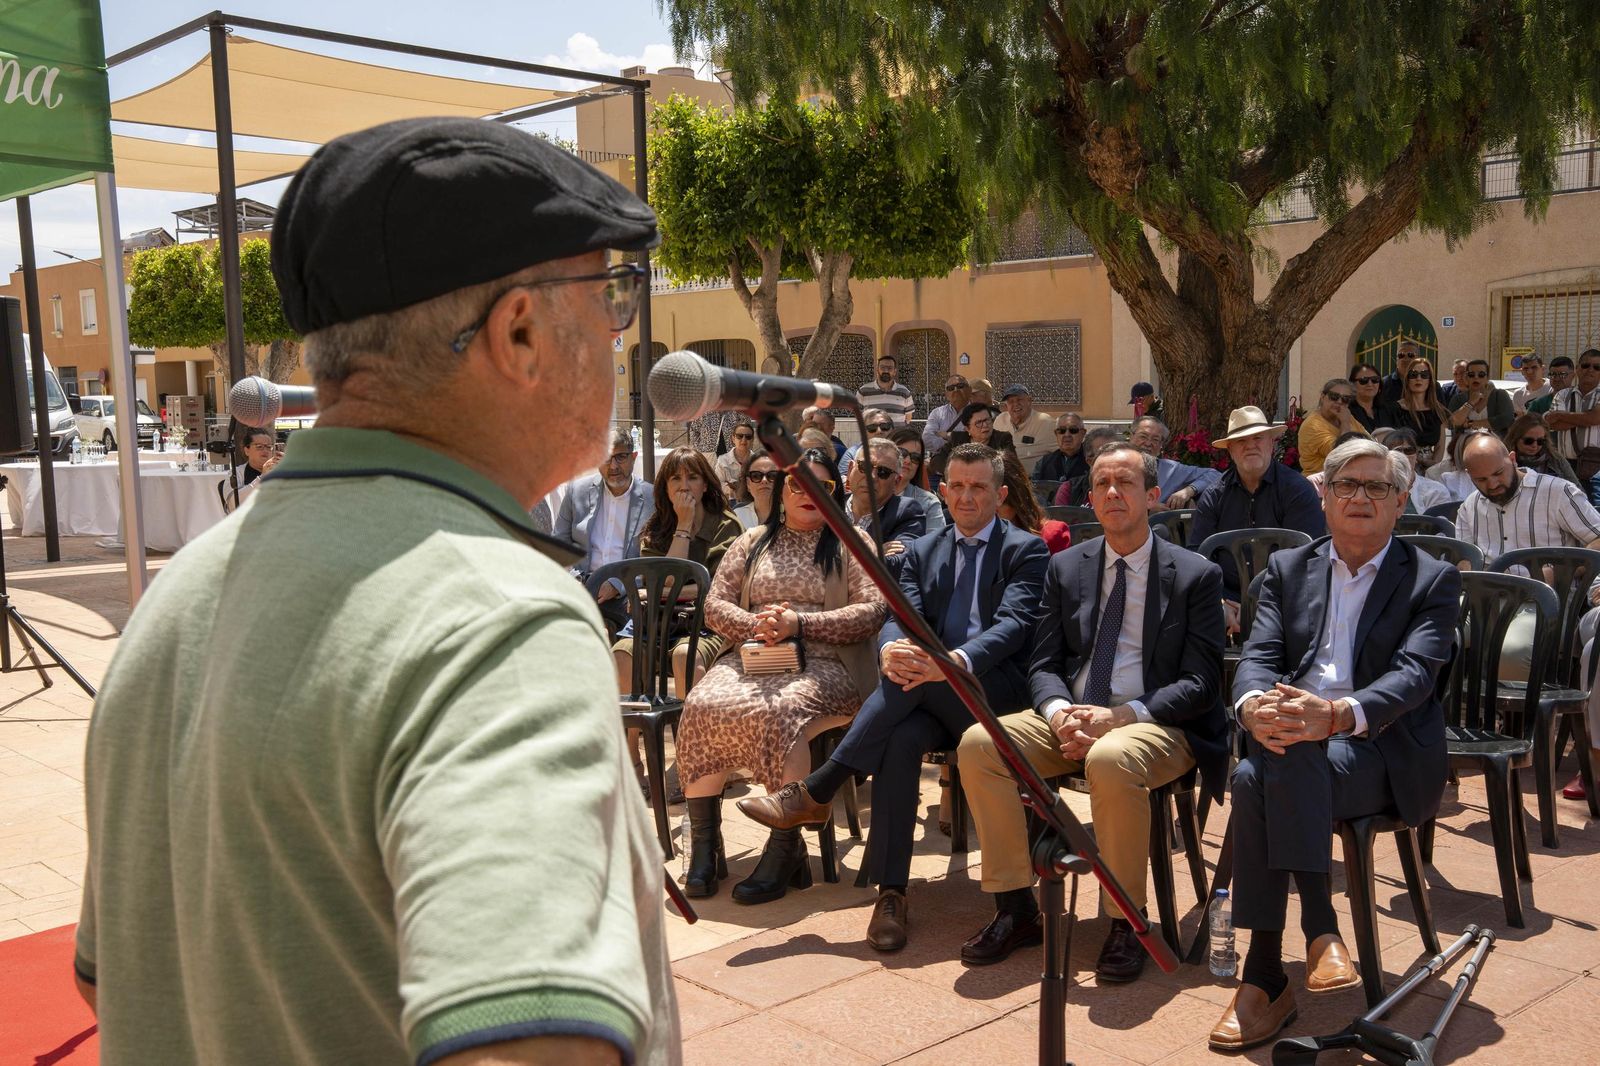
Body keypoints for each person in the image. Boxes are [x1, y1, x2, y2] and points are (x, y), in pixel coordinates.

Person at [75, 118, 677, 1065]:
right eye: (612, 294)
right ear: (520, 330)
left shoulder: (177, 599)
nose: (619, 332)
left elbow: (108, 974)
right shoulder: (498, 617)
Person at [738, 443, 1048, 951]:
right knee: (901, 739)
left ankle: (819, 790)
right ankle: (892, 893)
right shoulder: (923, 552)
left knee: (910, 689)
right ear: (943, 491)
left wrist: (948, 664)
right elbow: (898, 619)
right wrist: (889, 654)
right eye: (959, 487)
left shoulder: (1025, 550)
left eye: (980, 487)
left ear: (1001, 493)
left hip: (993, 692)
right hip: (925, 693)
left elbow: (1013, 627)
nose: (967, 498)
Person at [1210, 438, 1460, 1052]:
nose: (1360, 497)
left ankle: (1277, 963)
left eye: (1377, 487)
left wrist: (1337, 713)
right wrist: (1252, 709)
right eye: (1347, 484)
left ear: (1401, 502)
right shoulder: (1289, 571)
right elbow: (1257, 658)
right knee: (1261, 766)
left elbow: (1415, 676)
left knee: (1265, 768)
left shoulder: (1431, 579)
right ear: (1323, 498)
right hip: (1297, 741)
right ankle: (1296, 953)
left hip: (1384, 752)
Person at [960, 443, 1226, 974]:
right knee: (981, 743)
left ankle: (1126, 920)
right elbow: (1044, 662)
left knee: (1110, 760)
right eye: (1101, 484)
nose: (1111, 493)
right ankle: (1016, 908)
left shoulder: (1194, 574)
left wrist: (1119, 719)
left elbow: (1200, 683)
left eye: (1124, 483)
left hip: (1155, 722)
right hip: (1075, 713)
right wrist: (1059, 713)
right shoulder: (1067, 567)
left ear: (1152, 496)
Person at [673, 448, 886, 901]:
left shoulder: (852, 543)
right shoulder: (751, 542)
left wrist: (801, 624)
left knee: (784, 712)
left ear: (837, 493)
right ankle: (706, 849)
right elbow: (715, 604)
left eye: (823, 487)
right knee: (701, 702)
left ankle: (784, 848)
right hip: (754, 658)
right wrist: (757, 625)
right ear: (782, 488)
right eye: (798, 484)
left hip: (830, 664)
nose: (809, 493)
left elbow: (873, 610)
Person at [611, 446, 743, 717]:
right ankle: (633, 753)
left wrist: (665, 591)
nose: (684, 487)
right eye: (675, 479)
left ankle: (689, 751)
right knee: (622, 655)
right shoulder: (656, 528)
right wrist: (682, 526)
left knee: (686, 656)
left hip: (705, 625)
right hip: (656, 623)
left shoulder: (725, 525)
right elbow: (664, 581)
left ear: (705, 484)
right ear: (665, 488)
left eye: (692, 478)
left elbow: (722, 590)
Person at [1188, 406, 1325, 608]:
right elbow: (1197, 556)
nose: (1250, 446)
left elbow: (1309, 557)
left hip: (1286, 600)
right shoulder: (1214, 495)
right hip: (1224, 602)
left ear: (1271, 444)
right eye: (1241, 441)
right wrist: (1220, 602)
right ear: (1230, 450)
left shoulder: (1297, 490)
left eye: (1258, 438)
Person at [556, 428, 655, 636]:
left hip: (628, 593)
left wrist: (618, 584)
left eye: (620, 457)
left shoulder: (652, 498)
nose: (613, 466)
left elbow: (653, 558)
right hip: (580, 587)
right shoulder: (577, 492)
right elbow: (558, 545)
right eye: (606, 458)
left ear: (634, 457)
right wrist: (574, 578)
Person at [1456, 434, 1600, 563]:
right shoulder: (1469, 507)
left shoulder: (1558, 492)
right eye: (1481, 479)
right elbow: (1464, 560)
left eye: (1498, 473)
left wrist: (1565, 572)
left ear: (1512, 459)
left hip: (1553, 590)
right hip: (1490, 589)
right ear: (1469, 475)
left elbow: (1597, 538)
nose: (1492, 484)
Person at [847, 437, 928, 555]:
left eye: (883, 472)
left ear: (896, 482)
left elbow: (897, 563)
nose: (872, 477)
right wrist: (875, 552)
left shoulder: (907, 512)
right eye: (865, 466)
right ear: (850, 469)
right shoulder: (829, 506)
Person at [1541, 348, 1600, 507]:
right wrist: (1588, 419)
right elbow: (1555, 425)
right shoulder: (1562, 395)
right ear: (1577, 368)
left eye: (1597, 367)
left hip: (1597, 468)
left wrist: (1562, 414)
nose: (1590, 370)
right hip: (1565, 466)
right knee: (1566, 511)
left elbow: (1595, 417)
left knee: (1595, 513)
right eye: (1586, 365)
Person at [1128, 415, 1220, 508]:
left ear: (1161, 446)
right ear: (1131, 437)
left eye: (1155, 439)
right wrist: (1147, 508)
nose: (1148, 443)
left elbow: (1214, 475)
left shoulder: (1171, 470)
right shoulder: (1115, 465)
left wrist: (1188, 491)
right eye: (1143, 436)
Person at [997, 449, 1070, 554]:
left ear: (1017, 498)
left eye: (1000, 501)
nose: (989, 510)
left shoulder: (1051, 535)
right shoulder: (970, 538)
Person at [1384, 356, 1448, 467]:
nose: (1419, 378)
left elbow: (1440, 447)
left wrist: (1432, 466)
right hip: (1402, 463)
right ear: (1407, 379)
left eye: (1424, 375)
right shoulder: (1395, 409)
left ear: (1430, 380)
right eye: (1413, 375)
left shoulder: (1438, 410)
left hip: (1431, 467)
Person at [1297, 378, 1367, 475]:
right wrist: (1345, 423)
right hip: (1321, 482)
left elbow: (1369, 441)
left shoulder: (1346, 416)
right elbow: (1341, 454)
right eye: (1334, 396)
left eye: (1345, 399)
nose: (1339, 402)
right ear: (1322, 396)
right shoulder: (1312, 425)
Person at [1375, 428, 1453, 514]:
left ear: (1416, 457)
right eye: (1397, 451)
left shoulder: (1436, 490)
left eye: (1409, 450)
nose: (1404, 455)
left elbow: (1440, 524)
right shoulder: (1375, 489)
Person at [891, 426, 948, 536]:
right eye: (901, 453)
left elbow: (935, 546)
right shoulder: (866, 493)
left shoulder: (929, 503)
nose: (907, 461)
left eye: (915, 457)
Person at [1504, 411, 1580, 488]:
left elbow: (1577, 490)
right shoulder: (1504, 460)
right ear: (1515, 439)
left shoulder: (1555, 459)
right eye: (1528, 441)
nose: (1534, 445)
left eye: (1540, 441)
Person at [933, 402, 1014, 471]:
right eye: (979, 423)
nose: (985, 425)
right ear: (967, 429)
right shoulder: (957, 439)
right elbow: (937, 460)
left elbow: (1009, 465)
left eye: (987, 420)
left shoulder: (1003, 439)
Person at [1054, 426, 1123, 507]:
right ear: (1090, 461)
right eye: (1104, 455)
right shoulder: (1069, 489)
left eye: (1115, 454)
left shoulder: (1130, 488)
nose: (1112, 460)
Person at [1446, 358, 1514, 435]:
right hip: (1465, 445)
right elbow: (1452, 423)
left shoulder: (1499, 395)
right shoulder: (1458, 398)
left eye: (1481, 374)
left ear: (1487, 378)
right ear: (1467, 377)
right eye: (1471, 374)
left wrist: (1471, 423)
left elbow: (1506, 420)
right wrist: (1470, 403)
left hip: (1495, 444)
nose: (1476, 377)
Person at [994, 383, 1057, 468]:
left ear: (1029, 401)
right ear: (1006, 406)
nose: (1016, 404)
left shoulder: (1047, 423)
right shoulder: (1000, 420)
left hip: (1033, 479)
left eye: (1019, 400)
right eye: (1011, 401)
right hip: (1004, 477)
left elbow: (1065, 451)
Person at [924, 374, 972, 471]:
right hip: (939, 470)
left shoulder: (978, 413)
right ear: (946, 394)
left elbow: (978, 440)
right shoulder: (937, 413)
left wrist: (946, 436)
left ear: (969, 390)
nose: (955, 390)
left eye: (960, 386)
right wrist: (957, 441)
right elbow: (927, 439)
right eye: (951, 388)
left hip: (969, 470)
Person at [859, 353, 916, 425]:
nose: (886, 371)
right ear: (877, 370)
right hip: (873, 435)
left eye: (890, 368)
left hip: (896, 435)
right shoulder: (863, 391)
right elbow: (858, 415)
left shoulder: (905, 392)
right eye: (882, 367)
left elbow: (908, 418)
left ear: (895, 371)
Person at [1033, 411, 1089, 484]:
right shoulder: (1044, 463)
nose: (1067, 434)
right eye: (1062, 431)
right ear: (1056, 434)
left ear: (1083, 433)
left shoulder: (1091, 461)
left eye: (1073, 430)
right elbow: (1035, 490)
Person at [734, 450, 780, 529]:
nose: (764, 480)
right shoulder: (737, 517)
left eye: (772, 475)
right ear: (748, 484)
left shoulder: (793, 517)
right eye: (756, 476)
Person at [714, 418, 756, 500]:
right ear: (733, 439)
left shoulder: (758, 461)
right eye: (739, 436)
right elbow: (717, 484)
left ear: (752, 440)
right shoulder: (723, 461)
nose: (744, 440)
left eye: (748, 437)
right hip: (730, 503)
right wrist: (729, 489)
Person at [1347, 361, 1390, 433]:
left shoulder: (1387, 411)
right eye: (1363, 380)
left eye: (1374, 380)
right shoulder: (1347, 411)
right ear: (1353, 384)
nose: (1370, 384)